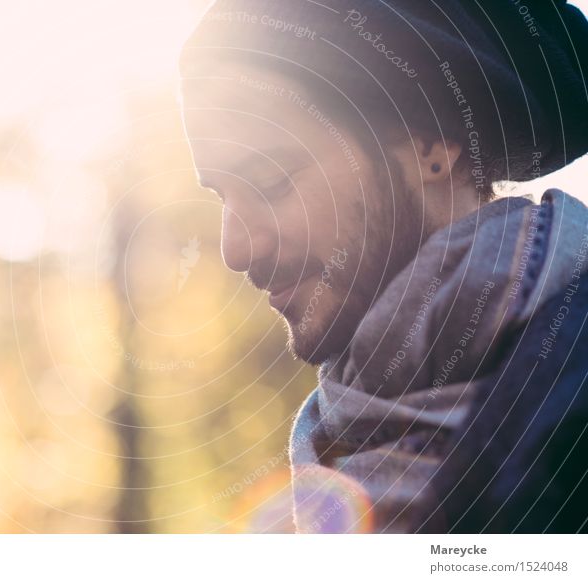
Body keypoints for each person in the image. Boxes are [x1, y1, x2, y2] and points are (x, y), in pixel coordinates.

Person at [178, 0, 588, 533]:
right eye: (222, 198)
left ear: (433, 146)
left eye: (271, 181)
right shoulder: (333, 445)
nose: (235, 249)